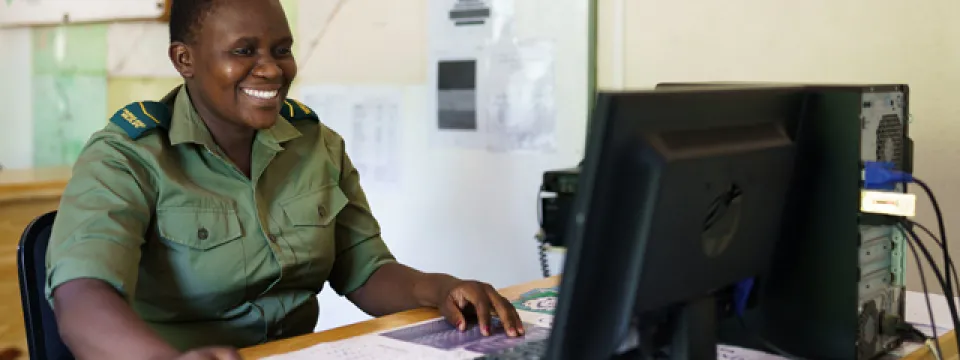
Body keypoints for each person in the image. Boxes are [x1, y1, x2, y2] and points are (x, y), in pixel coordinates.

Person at [44, 0, 524, 358]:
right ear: (184, 60)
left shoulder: (316, 144)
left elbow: (365, 269)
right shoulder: (128, 155)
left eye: (282, 49)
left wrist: (440, 289)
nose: (272, 69)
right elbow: (82, 295)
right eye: (243, 51)